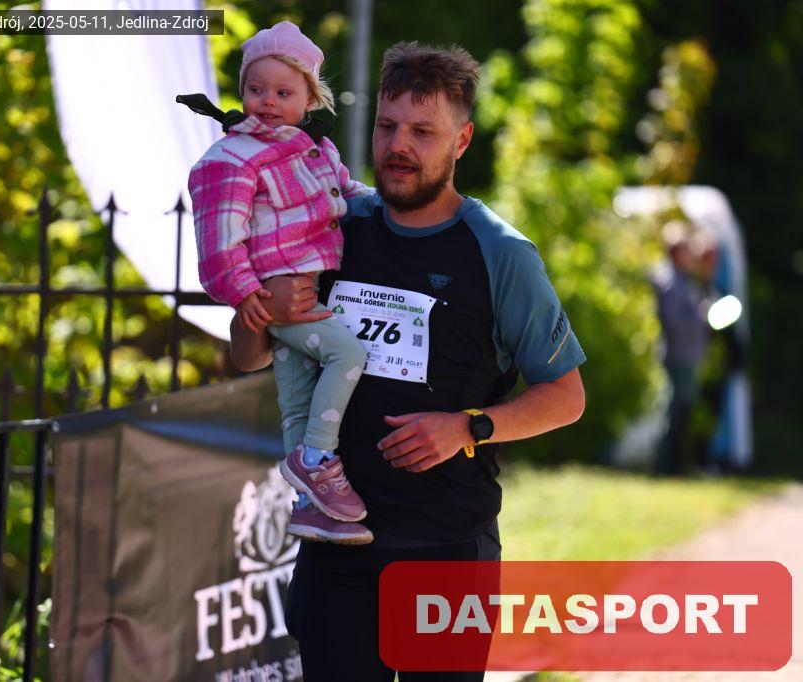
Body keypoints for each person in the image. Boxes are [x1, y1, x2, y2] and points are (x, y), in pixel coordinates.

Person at [230, 42, 587, 680]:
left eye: (423, 132)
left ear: (462, 140)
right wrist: (260, 308)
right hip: (336, 550)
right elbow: (248, 356)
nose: (399, 146)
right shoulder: (335, 226)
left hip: (445, 551)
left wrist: (468, 427)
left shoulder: (501, 253)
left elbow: (565, 396)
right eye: (387, 126)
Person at [185, 22, 376, 543]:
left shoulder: (316, 151)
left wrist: (384, 206)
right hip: (275, 294)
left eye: (283, 93)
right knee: (348, 354)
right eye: (256, 89)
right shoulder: (231, 157)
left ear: (309, 100)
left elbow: (348, 192)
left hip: (307, 288)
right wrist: (243, 291)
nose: (267, 101)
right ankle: (316, 459)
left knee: (295, 402)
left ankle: (310, 508)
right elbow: (221, 235)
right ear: (243, 91)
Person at [652, 221, 712, 475]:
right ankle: (666, 467)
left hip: (689, 355)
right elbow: (673, 322)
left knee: (683, 412)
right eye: (687, 250)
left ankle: (674, 466)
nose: (692, 255)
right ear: (676, 252)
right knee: (675, 413)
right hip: (678, 356)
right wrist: (701, 317)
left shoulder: (685, 280)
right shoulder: (670, 282)